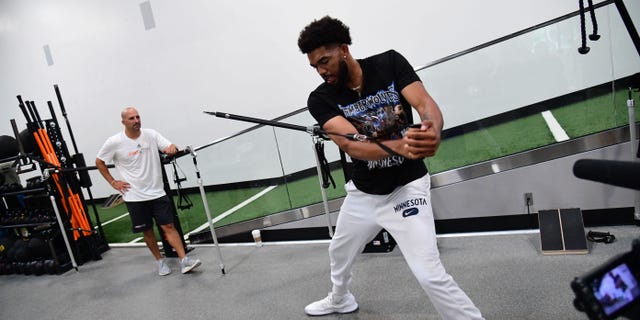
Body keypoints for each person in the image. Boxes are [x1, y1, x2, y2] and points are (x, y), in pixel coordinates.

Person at [297, 16, 484, 319]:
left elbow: (424, 104)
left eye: (325, 61)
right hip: (364, 193)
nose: (321, 71)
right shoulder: (320, 98)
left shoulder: (389, 63)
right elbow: (351, 145)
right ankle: (340, 298)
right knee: (339, 253)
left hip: (407, 188)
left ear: (344, 49)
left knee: (429, 273)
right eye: (315, 66)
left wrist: (432, 130)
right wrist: (403, 145)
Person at [96, 107, 201, 276]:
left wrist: (171, 148)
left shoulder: (151, 135)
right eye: (131, 118)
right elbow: (99, 162)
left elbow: (168, 146)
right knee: (148, 231)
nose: (136, 120)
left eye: (138, 117)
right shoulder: (114, 142)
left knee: (168, 226)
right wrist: (113, 182)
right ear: (123, 122)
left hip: (157, 192)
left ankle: (184, 260)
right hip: (134, 196)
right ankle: (160, 262)